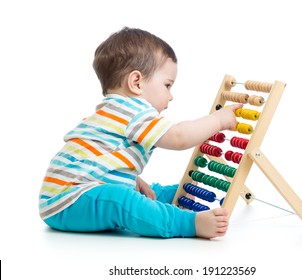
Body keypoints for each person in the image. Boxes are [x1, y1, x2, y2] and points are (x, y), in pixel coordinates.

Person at [39, 27, 242, 239]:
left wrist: (131, 179)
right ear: (136, 82)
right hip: (69, 200)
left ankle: (172, 196)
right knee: (121, 199)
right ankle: (185, 223)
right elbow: (179, 137)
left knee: (143, 191)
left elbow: (101, 162)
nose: (170, 96)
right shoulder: (133, 111)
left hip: (66, 197)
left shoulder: (113, 111)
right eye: (167, 85)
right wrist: (218, 120)